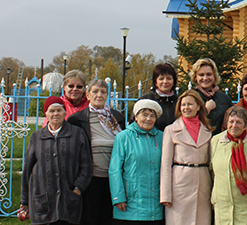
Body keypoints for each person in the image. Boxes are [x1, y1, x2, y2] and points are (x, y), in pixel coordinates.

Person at [21, 96, 93, 225]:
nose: (55, 114)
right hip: (42, 202)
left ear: (65, 112)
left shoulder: (77, 134)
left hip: (68, 201)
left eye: (59, 110)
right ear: (46, 114)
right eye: (52, 111)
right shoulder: (37, 137)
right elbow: (27, 170)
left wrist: (78, 189)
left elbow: (86, 167)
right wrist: (24, 200)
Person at [68, 79, 125, 225]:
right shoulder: (77, 119)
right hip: (90, 179)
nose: (99, 95)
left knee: (109, 219)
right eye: (95, 91)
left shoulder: (116, 118)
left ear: (107, 95)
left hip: (113, 179)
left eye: (103, 92)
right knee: (90, 219)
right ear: (87, 95)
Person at [161, 90, 213, 225]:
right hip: (180, 184)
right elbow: (165, 164)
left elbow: (211, 162)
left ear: (199, 107)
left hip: (203, 183)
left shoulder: (207, 131)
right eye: (183, 105)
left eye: (190, 104)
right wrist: (165, 195)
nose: (186, 108)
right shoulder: (171, 130)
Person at [211, 107, 247, 225]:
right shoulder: (216, 141)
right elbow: (212, 171)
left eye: (239, 122)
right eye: (231, 122)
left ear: (246, 125)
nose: (234, 125)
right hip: (223, 206)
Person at [109, 99, 164, 224]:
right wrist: (118, 197)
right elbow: (115, 169)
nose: (148, 119)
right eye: (144, 115)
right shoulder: (123, 137)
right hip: (129, 204)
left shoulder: (162, 137)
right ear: (136, 117)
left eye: (152, 116)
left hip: (155, 205)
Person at [192, 58, 233, 135]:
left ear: (214, 76)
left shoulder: (224, 98)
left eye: (209, 74)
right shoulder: (191, 98)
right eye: (201, 75)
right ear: (195, 77)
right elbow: (189, 123)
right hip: (198, 143)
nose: (205, 78)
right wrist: (206, 109)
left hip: (220, 143)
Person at [140, 63, 179, 131]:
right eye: (161, 79)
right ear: (155, 82)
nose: (165, 82)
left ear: (173, 81)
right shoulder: (146, 100)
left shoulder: (179, 101)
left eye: (169, 78)